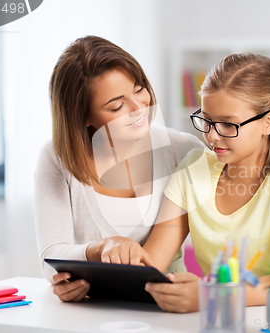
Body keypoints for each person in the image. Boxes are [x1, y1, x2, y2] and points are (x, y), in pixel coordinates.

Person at [139, 53, 270, 313]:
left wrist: (213, 295)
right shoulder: (193, 169)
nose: (212, 136)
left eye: (228, 125)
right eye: (206, 121)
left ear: (269, 122)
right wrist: (89, 279)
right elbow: (152, 264)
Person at [33, 35, 202, 302]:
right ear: (83, 116)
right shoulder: (57, 158)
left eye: (139, 89)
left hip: (168, 307)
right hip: (94, 312)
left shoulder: (183, 151)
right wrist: (100, 249)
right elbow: (51, 258)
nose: (139, 108)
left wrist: (87, 265)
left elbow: (151, 268)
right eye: (117, 105)